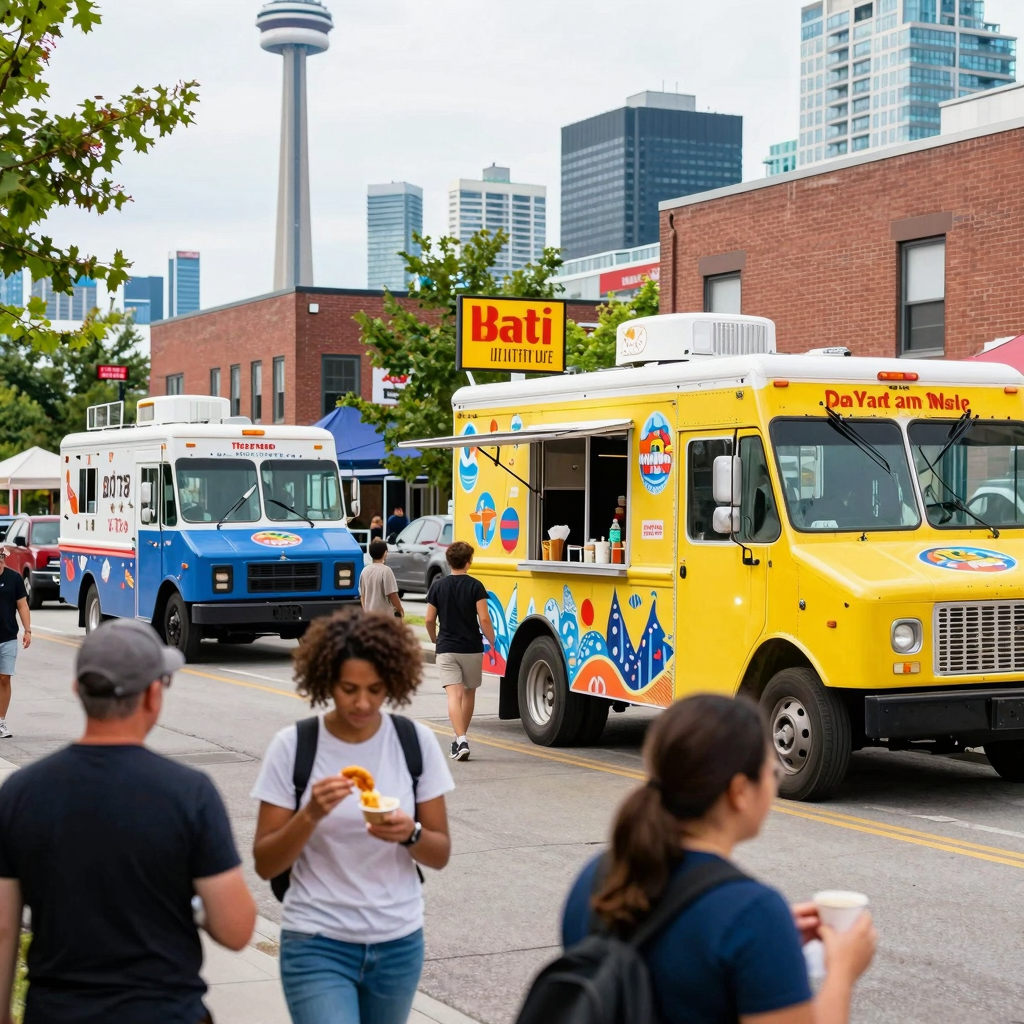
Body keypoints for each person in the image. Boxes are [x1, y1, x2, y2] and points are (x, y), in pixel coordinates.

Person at [0, 618, 256, 1024]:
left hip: (58, 1011)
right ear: (153, 694)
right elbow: (236, 929)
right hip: (165, 1011)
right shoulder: (189, 793)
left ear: (78, 690)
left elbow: (4, 929)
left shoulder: (20, 793)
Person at [562, 694, 876, 1024]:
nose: (775, 783)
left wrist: (773, 943)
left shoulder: (596, 876)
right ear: (739, 791)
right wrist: (842, 971)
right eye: (772, 771)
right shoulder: (754, 915)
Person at [252, 610, 454, 1024]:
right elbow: (266, 863)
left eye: (375, 689)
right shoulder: (293, 747)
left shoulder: (414, 742)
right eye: (349, 689)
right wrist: (310, 814)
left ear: (393, 682)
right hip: (316, 941)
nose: (362, 702)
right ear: (327, 680)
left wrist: (410, 833)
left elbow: (440, 853)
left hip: (398, 943)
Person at [424, 541, 495, 762]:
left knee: (453, 695)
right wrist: (492, 641)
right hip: (471, 648)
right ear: (469, 562)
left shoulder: (438, 586)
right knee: (469, 693)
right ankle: (459, 739)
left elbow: (429, 619)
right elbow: (484, 619)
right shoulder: (476, 586)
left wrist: (435, 638)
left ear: (449, 562)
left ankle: (461, 740)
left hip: (447, 648)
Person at [0, 548, 30, 739]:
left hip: (8, 636)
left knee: (4, 678)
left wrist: (28, 630)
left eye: (1, 557)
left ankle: (1, 721)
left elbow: (22, 605)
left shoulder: (14, 578)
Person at [360, 539, 403, 618]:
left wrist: (365, 611)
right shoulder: (386, 571)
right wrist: (400, 609)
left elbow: (362, 595)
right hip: (384, 617)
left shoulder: (364, 571)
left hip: (369, 616)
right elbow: (392, 594)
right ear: (385, 553)